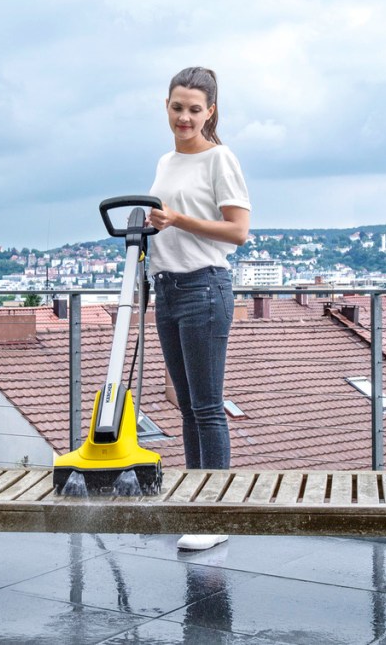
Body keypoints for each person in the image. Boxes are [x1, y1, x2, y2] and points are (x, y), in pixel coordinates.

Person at [147, 66, 251, 551]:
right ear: (166, 107)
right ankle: (196, 502)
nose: (184, 117)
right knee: (186, 406)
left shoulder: (219, 159)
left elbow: (238, 231)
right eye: (177, 108)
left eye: (193, 109)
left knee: (208, 407)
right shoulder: (165, 162)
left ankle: (217, 512)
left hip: (204, 288)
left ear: (210, 111)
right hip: (167, 289)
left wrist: (178, 219)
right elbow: (169, 222)